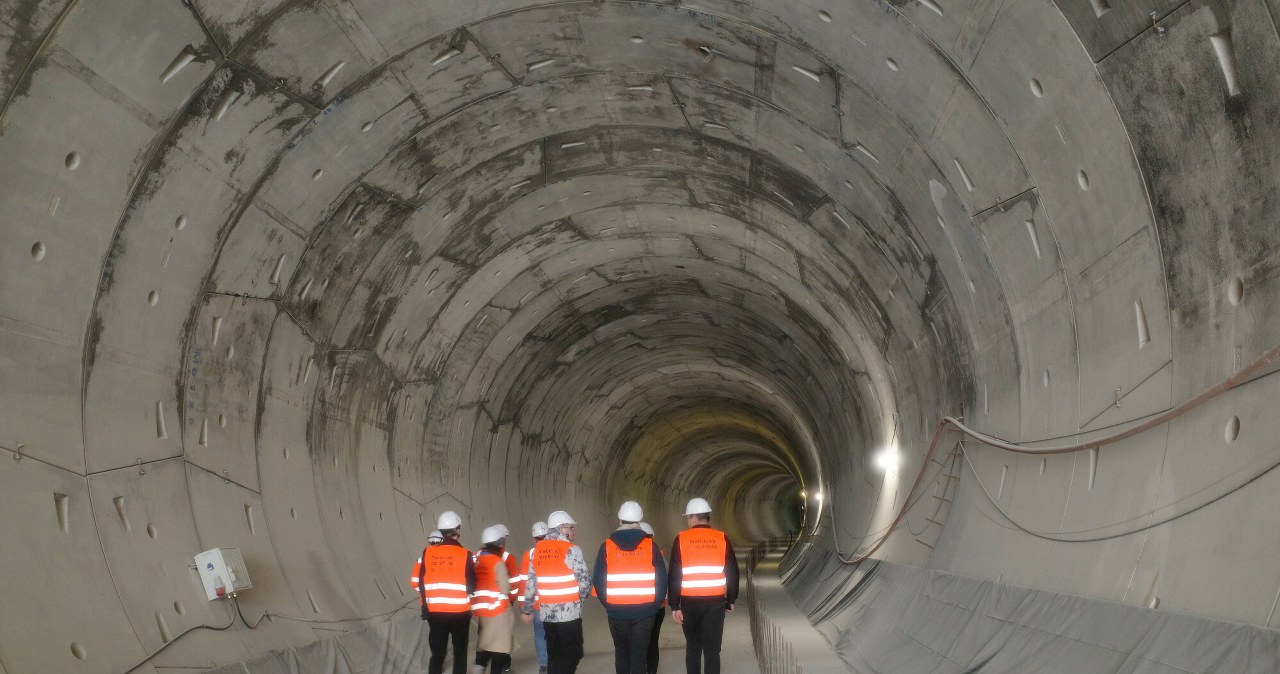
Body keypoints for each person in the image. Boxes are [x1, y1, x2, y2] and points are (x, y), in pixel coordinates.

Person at [593, 502, 667, 674]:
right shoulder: (651, 546)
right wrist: (654, 606)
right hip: (645, 613)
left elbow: (598, 580)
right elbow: (662, 580)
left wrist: (609, 604)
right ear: (640, 521)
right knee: (639, 657)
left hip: (616, 613)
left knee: (622, 655)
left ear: (620, 520)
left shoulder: (607, 546)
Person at [668, 498, 739, 674]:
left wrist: (675, 605)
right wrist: (731, 599)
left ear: (692, 518)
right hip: (715, 603)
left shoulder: (681, 539)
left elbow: (675, 574)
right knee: (712, 651)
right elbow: (732, 571)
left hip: (689, 603)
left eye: (688, 517)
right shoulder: (721, 538)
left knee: (693, 648)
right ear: (708, 517)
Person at [521, 510, 591, 674]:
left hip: (547, 614)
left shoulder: (537, 551)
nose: (573, 532)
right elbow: (585, 581)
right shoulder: (571, 549)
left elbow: (531, 583)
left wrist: (527, 608)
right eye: (571, 528)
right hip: (569, 614)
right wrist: (581, 599)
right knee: (572, 654)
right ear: (561, 529)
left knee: (554, 654)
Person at [418, 511, 477, 674]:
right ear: (458, 530)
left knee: (437, 655)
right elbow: (471, 587)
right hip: (460, 614)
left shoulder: (427, 552)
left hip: (435, 613)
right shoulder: (467, 555)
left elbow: (421, 582)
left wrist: (425, 608)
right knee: (460, 653)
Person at [472, 526, 515, 674]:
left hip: (482, 610)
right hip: (498, 610)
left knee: (485, 641)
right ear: (498, 543)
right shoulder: (497, 562)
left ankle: (479, 665)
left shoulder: (476, 559)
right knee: (499, 647)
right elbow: (504, 588)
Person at [516, 521, 550, 674]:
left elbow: (523, 583)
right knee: (556, 632)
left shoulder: (528, 555)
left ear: (533, 538)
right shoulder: (556, 550)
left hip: (536, 604)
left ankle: (544, 664)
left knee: (540, 632)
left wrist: (524, 608)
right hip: (554, 602)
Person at [639, 522, 665, 674]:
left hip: (638, 606)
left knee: (638, 643)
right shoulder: (659, 553)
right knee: (653, 641)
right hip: (657, 606)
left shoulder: (630, 553)